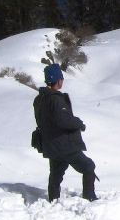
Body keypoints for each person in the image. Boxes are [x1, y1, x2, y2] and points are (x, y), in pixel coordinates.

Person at [33, 63, 99, 202]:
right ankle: (89, 197)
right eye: (61, 79)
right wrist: (79, 124)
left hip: (51, 144)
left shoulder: (39, 99)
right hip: (64, 144)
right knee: (88, 166)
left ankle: (53, 199)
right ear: (58, 80)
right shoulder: (56, 99)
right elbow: (63, 121)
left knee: (56, 173)